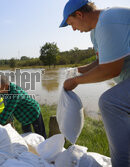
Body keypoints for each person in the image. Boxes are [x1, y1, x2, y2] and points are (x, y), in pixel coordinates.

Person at [60, 0, 130, 166]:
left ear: (79, 14)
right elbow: (101, 62)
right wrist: (79, 70)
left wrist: (75, 81)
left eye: (72, 24)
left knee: (110, 102)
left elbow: (110, 70)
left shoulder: (108, 20)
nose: (74, 29)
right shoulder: (96, 31)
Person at [0, 75, 47, 139]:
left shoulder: (15, 93)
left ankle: (44, 147)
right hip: (23, 116)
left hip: (32, 112)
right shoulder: (3, 89)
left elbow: (7, 111)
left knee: (40, 134)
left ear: (6, 85)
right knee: (27, 135)